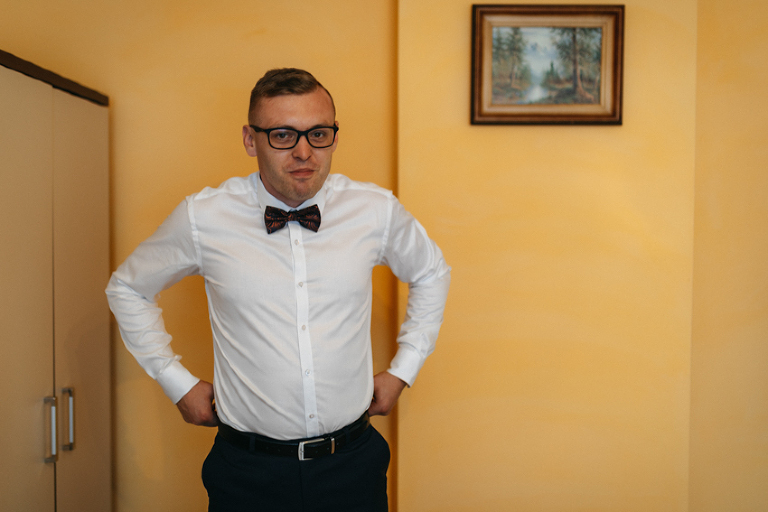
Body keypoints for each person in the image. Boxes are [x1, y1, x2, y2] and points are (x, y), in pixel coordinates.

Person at [106, 68, 450, 511]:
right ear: (251, 140)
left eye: (318, 134)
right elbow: (128, 289)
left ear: (334, 137)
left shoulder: (374, 210)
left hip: (352, 464)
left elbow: (431, 272)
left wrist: (405, 368)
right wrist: (176, 382)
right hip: (246, 472)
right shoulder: (203, 217)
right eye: (283, 135)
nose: (304, 152)